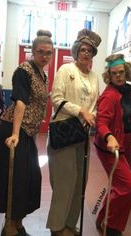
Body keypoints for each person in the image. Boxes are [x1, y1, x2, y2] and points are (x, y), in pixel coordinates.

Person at [0, 29, 54, 236]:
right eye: (40, 52)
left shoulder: (42, 73)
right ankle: (10, 227)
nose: (45, 56)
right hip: (13, 130)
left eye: (48, 53)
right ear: (32, 51)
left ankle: (18, 222)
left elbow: (37, 100)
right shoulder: (23, 71)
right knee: (14, 180)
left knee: (29, 178)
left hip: (26, 132)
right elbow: (21, 102)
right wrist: (15, 134)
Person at [46, 29, 101, 236]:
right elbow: (57, 99)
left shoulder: (95, 77)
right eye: (83, 49)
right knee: (64, 182)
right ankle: (57, 227)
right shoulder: (65, 69)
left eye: (90, 51)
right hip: (64, 133)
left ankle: (70, 223)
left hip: (82, 134)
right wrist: (81, 111)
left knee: (80, 183)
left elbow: (95, 102)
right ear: (77, 51)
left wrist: (91, 115)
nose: (86, 53)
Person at [94, 54, 131, 236]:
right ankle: (112, 227)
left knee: (117, 186)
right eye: (114, 74)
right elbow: (101, 122)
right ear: (109, 76)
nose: (118, 76)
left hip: (125, 144)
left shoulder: (127, 91)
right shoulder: (109, 96)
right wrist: (109, 136)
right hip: (110, 148)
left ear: (126, 72)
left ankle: (101, 219)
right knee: (129, 187)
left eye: (121, 72)